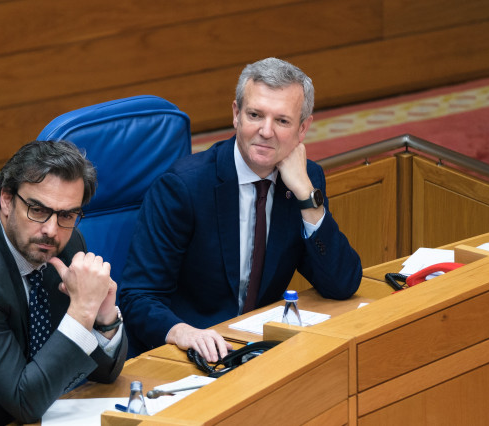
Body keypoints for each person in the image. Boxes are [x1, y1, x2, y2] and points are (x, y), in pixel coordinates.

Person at [120, 57, 362, 361]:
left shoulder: (304, 181)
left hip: (255, 350)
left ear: (303, 129)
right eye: (255, 115)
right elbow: (137, 297)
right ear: (236, 115)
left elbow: (341, 283)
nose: (265, 130)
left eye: (282, 121)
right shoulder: (183, 187)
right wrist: (183, 331)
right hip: (187, 354)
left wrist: (306, 197)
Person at [0, 141, 127, 425]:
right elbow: (25, 403)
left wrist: (104, 317)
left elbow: (104, 372)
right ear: (7, 200)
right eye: (37, 210)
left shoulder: (66, 242)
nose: (51, 230)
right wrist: (83, 310)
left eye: (67, 215)